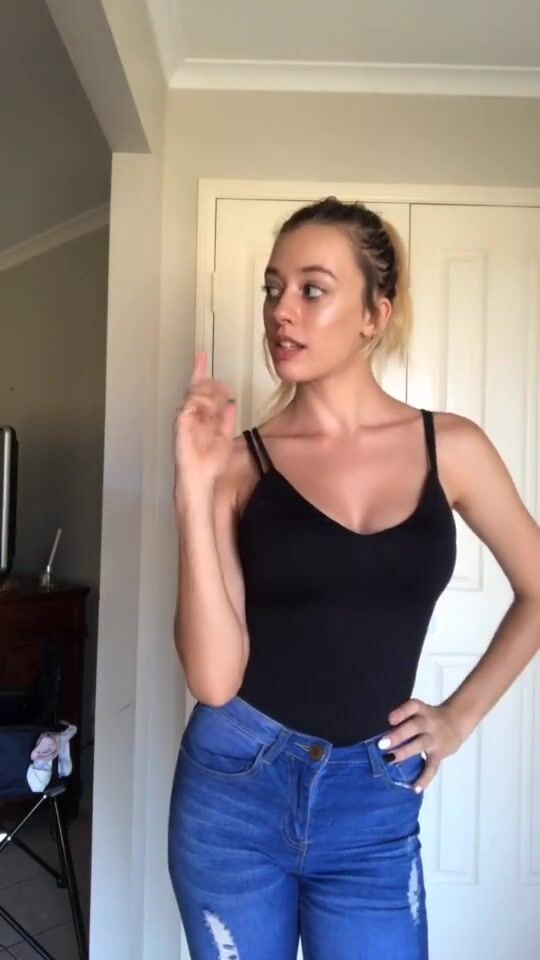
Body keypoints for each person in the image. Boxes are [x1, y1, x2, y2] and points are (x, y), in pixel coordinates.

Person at [168, 197, 540, 960]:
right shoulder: (238, 465)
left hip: (374, 800)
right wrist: (193, 494)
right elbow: (213, 679)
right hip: (236, 789)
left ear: (375, 314)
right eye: (273, 289)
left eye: (312, 289)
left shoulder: (453, 448)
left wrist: (459, 717)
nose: (281, 310)